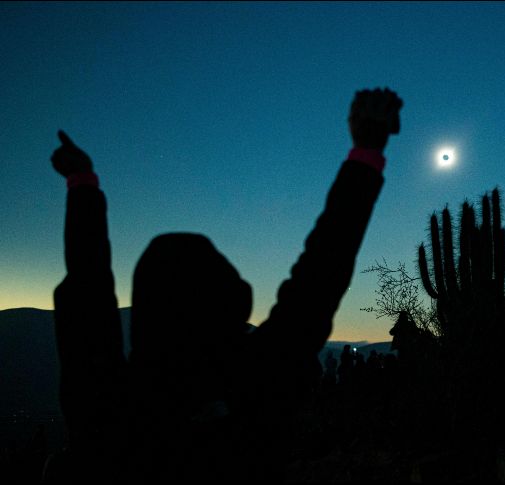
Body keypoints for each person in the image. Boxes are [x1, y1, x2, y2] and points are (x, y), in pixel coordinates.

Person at [49, 88, 403, 480]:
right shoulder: (260, 380)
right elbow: (322, 270)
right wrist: (367, 152)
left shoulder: (108, 405)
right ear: (232, 299)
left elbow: (87, 288)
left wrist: (82, 183)